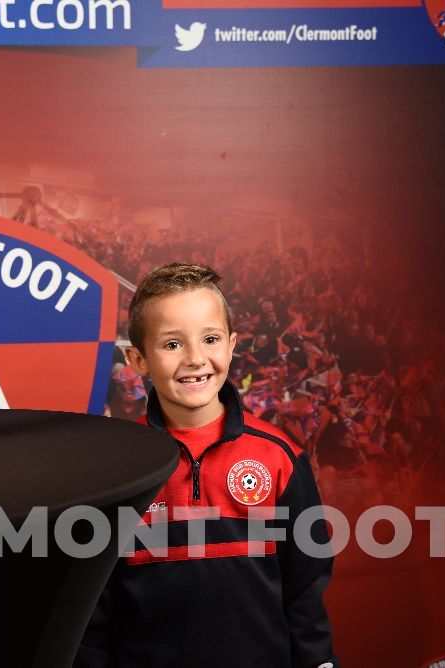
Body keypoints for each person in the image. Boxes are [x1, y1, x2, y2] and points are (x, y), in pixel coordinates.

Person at [76, 263, 338, 668]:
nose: (196, 359)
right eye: (172, 344)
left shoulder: (280, 457)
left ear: (232, 345)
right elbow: (93, 610)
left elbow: (305, 592)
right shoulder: (116, 471)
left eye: (210, 339)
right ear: (138, 359)